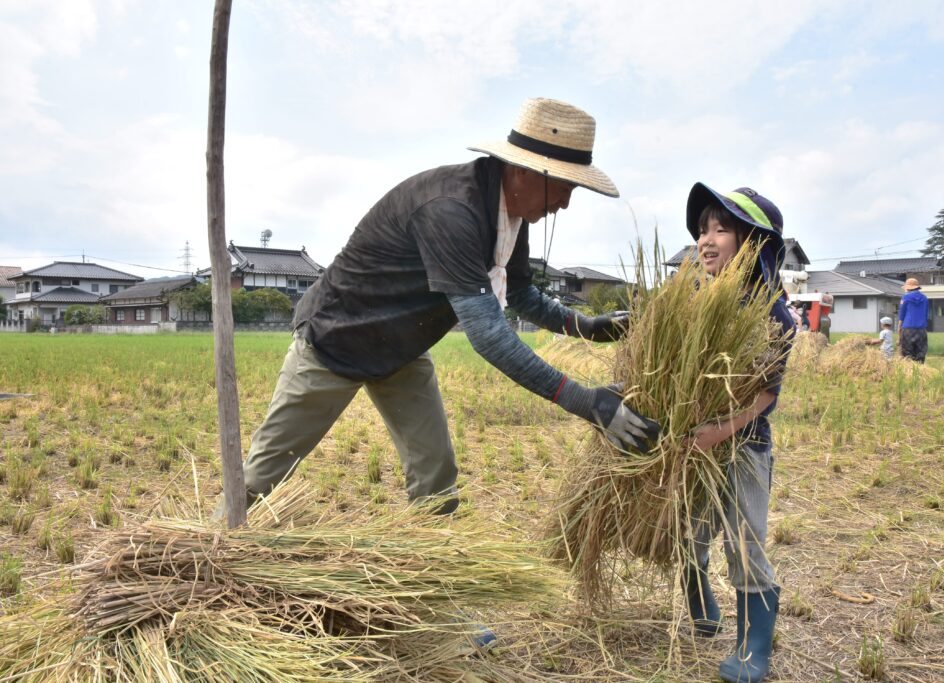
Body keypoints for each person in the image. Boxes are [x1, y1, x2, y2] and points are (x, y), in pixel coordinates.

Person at [218, 98, 660, 521]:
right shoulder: (451, 209)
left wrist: (584, 325)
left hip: (401, 350)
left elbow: (522, 294)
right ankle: (209, 557)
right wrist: (587, 402)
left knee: (436, 479)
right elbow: (488, 334)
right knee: (263, 476)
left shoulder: (509, 215)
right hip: (336, 341)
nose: (564, 203)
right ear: (525, 171)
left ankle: (433, 584)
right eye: (563, 186)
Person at [681, 183, 795, 683]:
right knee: (692, 528)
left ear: (752, 241)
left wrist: (717, 432)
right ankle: (695, 584)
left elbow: (764, 395)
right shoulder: (693, 302)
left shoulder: (773, 313)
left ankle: (753, 648)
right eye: (703, 229)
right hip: (692, 442)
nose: (706, 240)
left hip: (744, 445)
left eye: (721, 229)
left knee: (745, 540)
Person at [897, 277, 929, 363]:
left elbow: (902, 314)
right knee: (920, 354)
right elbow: (926, 314)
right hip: (922, 330)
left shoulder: (905, 298)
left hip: (908, 328)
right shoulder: (925, 298)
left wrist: (899, 328)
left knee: (907, 354)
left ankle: (909, 373)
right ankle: (921, 371)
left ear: (908, 288)